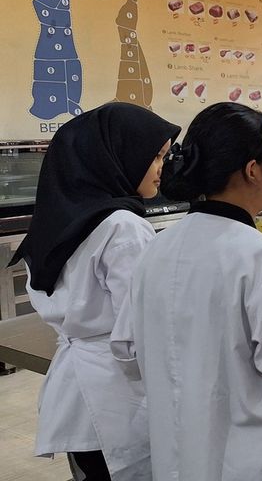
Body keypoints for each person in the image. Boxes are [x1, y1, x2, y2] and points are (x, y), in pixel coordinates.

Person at [129, 103, 262, 481]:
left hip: (179, 455)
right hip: (251, 459)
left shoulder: (157, 248)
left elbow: (134, 350)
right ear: (253, 170)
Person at [10, 103, 179, 481]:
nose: (160, 168)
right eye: (154, 156)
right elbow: (140, 328)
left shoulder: (55, 223)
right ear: (117, 157)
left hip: (74, 390)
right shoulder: (122, 226)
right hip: (119, 392)